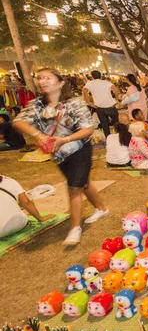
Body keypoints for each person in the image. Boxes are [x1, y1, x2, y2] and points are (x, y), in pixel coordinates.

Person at [13, 68, 109, 245]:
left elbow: (88, 128)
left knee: (74, 187)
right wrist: (39, 135)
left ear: (61, 82)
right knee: (82, 182)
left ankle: (75, 228)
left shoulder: (74, 103)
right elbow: (18, 121)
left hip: (79, 149)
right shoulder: (37, 105)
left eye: (48, 78)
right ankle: (102, 209)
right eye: (40, 78)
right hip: (58, 154)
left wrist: (65, 139)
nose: (43, 81)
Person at [82, 70, 119, 137]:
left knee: (105, 125)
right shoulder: (106, 82)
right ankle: (120, 137)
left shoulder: (90, 83)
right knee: (117, 124)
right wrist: (116, 99)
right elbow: (116, 89)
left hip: (100, 108)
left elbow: (84, 91)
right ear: (100, 75)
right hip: (111, 106)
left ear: (92, 76)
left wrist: (89, 102)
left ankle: (109, 139)